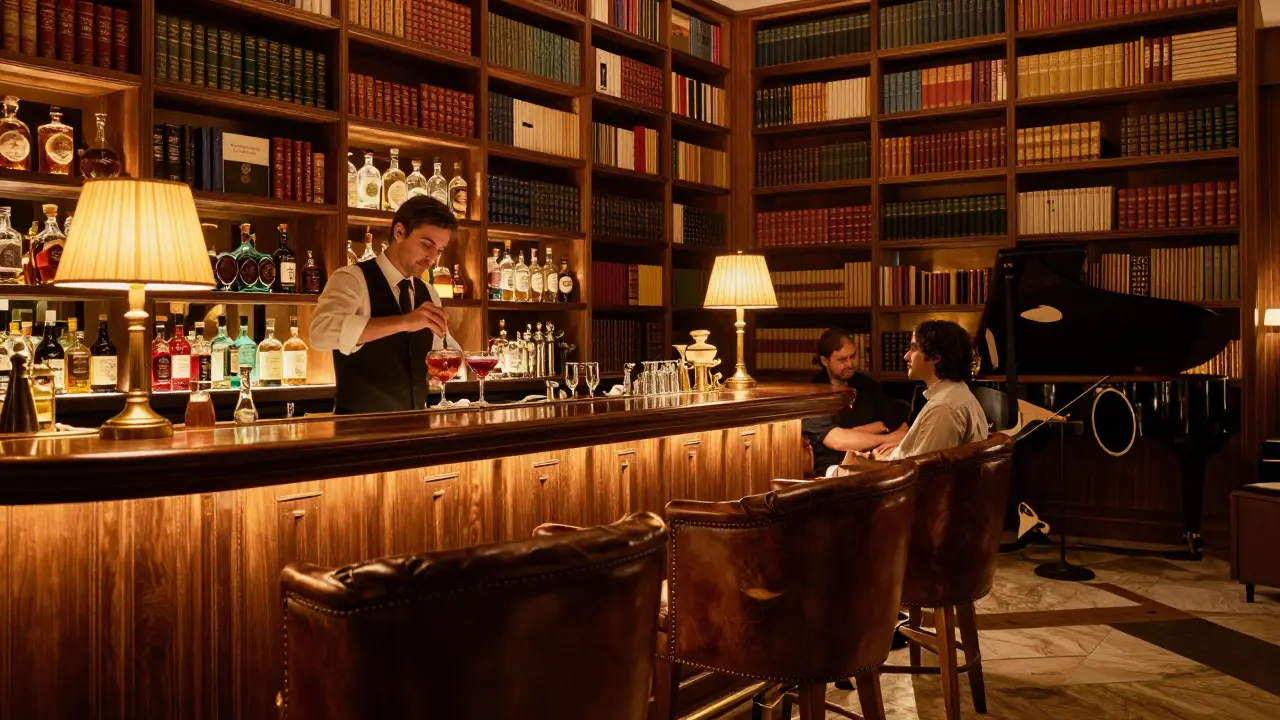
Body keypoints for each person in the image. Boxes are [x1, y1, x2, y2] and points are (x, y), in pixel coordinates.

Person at [310, 195, 462, 414]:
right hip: (359, 434)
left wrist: (446, 367)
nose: (432, 258)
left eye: (439, 250)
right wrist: (403, 322)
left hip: (416, 432)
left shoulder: (428, 291)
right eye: (426, 244)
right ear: (399, 232)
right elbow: (320, 334)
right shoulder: (352, 279)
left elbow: (445, 348)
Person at [841, 319, 989, 465]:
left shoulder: (944, 408)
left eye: (913, 348)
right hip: (897, 471)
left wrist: (873, 465)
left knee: (838, 470)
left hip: (900, 484)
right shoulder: (956, 394)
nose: (906, 356)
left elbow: (926, 474)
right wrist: (881, 459)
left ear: (935, 357)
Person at [801, 328, 909, 476]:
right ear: (824, 361)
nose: (850, 364)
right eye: (842, 359)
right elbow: (837, 441)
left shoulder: (866, 384)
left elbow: (901, 424)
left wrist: (858, 434)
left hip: (874, 459)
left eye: (853, 356)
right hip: (836, 466)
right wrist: (885, 435)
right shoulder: (814, 394)